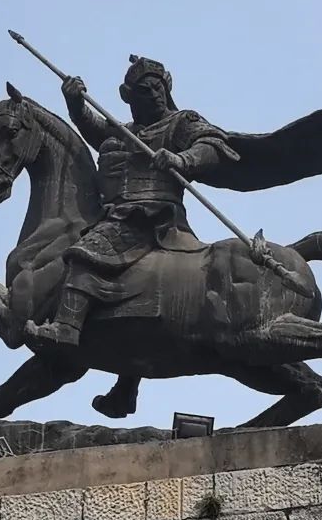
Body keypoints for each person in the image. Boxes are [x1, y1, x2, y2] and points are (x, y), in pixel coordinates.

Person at [25, 55, 239, 348]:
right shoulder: (125, 132)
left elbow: (212, 146)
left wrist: (182, 159)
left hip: (150, 215)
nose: (154, 95)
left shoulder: (180, 122)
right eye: (145, 91)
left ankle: (66, 327)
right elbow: (95, 128)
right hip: (118, 213)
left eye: (158, 88)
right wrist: (76, 104)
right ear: (128, 97)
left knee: (89, 250)